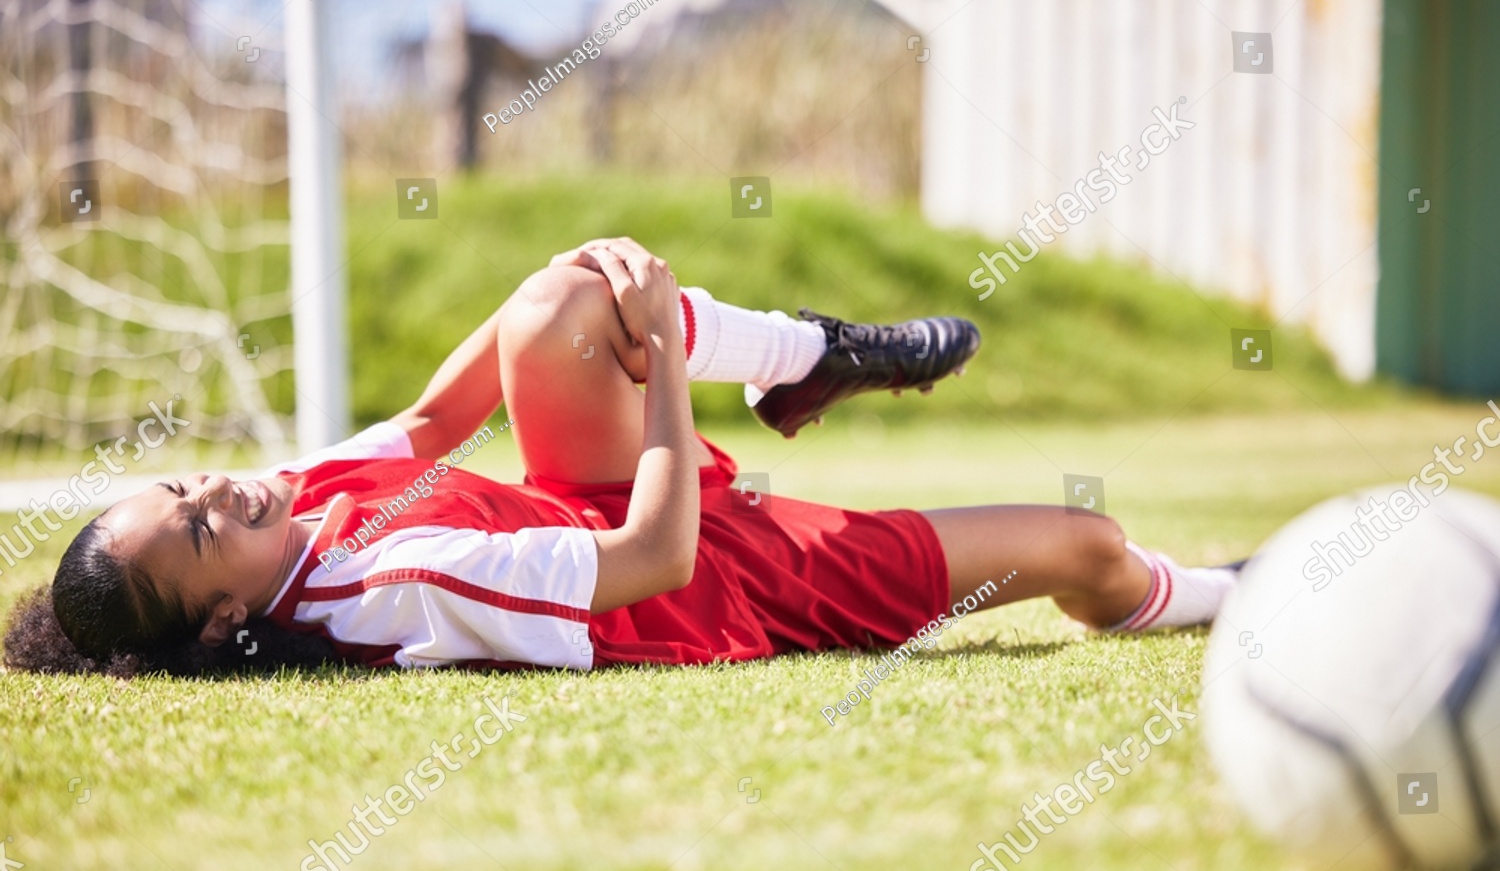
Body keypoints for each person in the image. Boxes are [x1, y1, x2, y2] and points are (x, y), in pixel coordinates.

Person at [3, 238, 1236, 678]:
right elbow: (649, 559)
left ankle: (808, 356)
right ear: (224, 623)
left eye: (183, 486)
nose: (217, 490)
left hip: (583, 498)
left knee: (564, 301)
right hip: (716, 580)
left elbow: (434, 427)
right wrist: (656, 359)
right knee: (1090, 546)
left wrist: (568, 284)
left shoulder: (296, 501)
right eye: (203, 529)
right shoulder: (389, 589)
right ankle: (1234, 591)